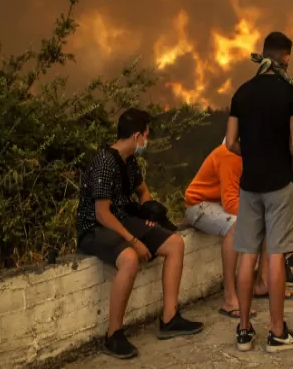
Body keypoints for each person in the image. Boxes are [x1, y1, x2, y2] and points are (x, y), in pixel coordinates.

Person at [76, 108, 203, 359]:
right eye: (145, 135)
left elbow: (143, 191)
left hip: (123, 218)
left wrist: (149, 216)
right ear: (136, 136)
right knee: (129, 259)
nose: (147, 140)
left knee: (175, 243)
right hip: (96, 227)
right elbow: (102, 213)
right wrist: (133, 240)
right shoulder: (104, 161)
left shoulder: (129, 160)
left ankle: (169, 318)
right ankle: (114, 335)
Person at [225, 31, 293, 353]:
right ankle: (277, 333)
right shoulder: (292, 93)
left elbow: (231, 142)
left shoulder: (242, 92)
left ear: (263, 54)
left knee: (247, 253)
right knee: (275, 255)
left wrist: (253, 153)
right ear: (286, 57)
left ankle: (244, 330)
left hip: (249, 186)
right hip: (278, 184)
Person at [183, 142, 293, 320]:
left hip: (219, 203)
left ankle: (263, 282)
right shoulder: (230, 155)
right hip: (199, 206)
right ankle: (229, 297)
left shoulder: (253, 154)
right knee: (236, 227)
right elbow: (231, 202)